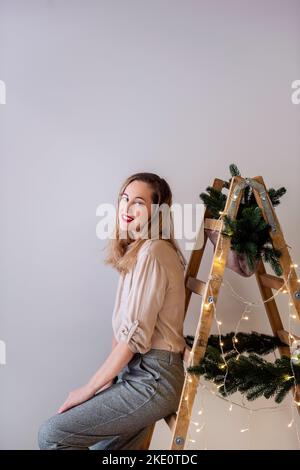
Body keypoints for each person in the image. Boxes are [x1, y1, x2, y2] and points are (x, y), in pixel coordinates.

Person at [38, 172, 187, 450]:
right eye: (124, 199)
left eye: (138, 203)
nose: (127, 208)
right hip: (137, 372)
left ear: (156, 212)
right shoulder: (137, 251)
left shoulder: (153, 252)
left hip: (154, 379)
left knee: (52, 435)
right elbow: (121, 332)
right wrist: (110, 379)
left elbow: (131, 339)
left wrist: (89, 389)